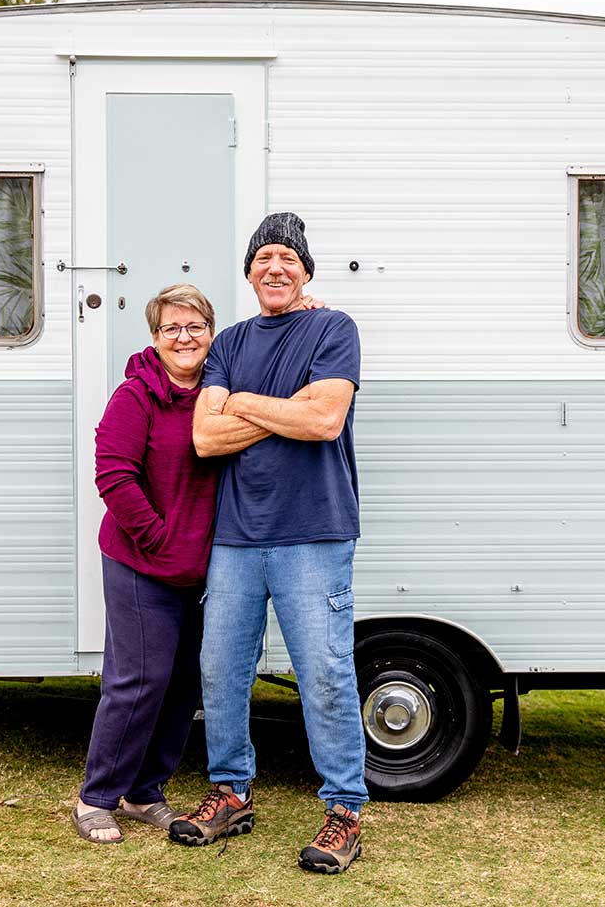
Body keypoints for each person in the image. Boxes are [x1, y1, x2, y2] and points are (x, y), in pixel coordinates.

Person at [172, 212, 367, 874]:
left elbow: (324, 418)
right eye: (264, 257)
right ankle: (230, 792)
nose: (275, 267)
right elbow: (205, 437)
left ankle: (344, 811)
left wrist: (242, 404)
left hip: (314, 531)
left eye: (288, 257)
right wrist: (285, 405)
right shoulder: (226, 341)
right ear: (250, 271)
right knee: (220, 670)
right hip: (237, 536)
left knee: (325, 674)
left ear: (306, 270)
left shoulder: (333, 328)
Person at [73, 284, 219, 844]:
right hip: (142, 561)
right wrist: (158, 538)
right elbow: (114, 475)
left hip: (201, 570)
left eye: (195, 326)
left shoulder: (218, 393)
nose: (184, 337)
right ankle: (97, 796)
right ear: (156, 339)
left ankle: (145, 791)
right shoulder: (135, 396)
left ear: (210, 330)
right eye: (171, 329)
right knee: (139, 679)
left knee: (185, 683)